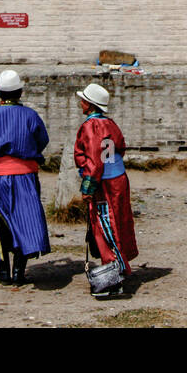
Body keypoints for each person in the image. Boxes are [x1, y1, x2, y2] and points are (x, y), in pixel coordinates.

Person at [0, 69, 51, 285]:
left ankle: (4, 272)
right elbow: (42, 140)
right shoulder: (30, 116)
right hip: (24, 176)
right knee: (24, 222)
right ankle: (19, 272)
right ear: (20, 92)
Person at [74, 83, 138, 296]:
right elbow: (120, 147)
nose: (80, 103)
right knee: (117, 221)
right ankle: (117, 267)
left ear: (89, 104)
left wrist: (88, 187)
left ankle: (113, 276)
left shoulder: (90, 127)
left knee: (104, 226)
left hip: (103, 183)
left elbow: (94, 159)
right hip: (118, 178)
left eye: (83, 100)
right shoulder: (111, 124)